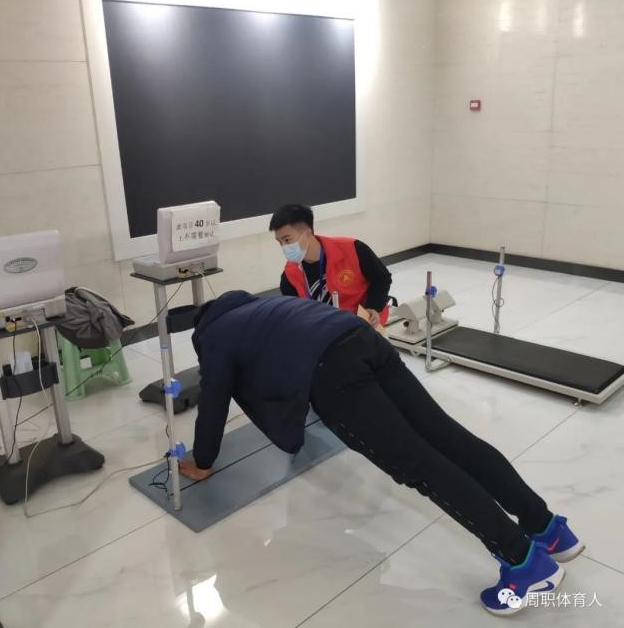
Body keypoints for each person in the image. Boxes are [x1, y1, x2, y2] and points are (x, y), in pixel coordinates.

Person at [179, 291, 585, 615]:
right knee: (449, 437)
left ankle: (525, 563)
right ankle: (548, 528)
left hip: (333, 373)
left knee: (420, 465)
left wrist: (202, 460)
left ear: (201, 328)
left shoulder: (214, 335)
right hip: (361, 338)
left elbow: (213, 399)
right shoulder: (260, 306)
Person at [269, 204, 392, 328]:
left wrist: (373, 307)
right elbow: (295, 313)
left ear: (307, 233)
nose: (284, 247)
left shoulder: (352, 248)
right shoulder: (289, 275)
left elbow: (382, 278)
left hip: (366, 322)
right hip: (327, 329)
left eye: (287, 240)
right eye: (280, 242)